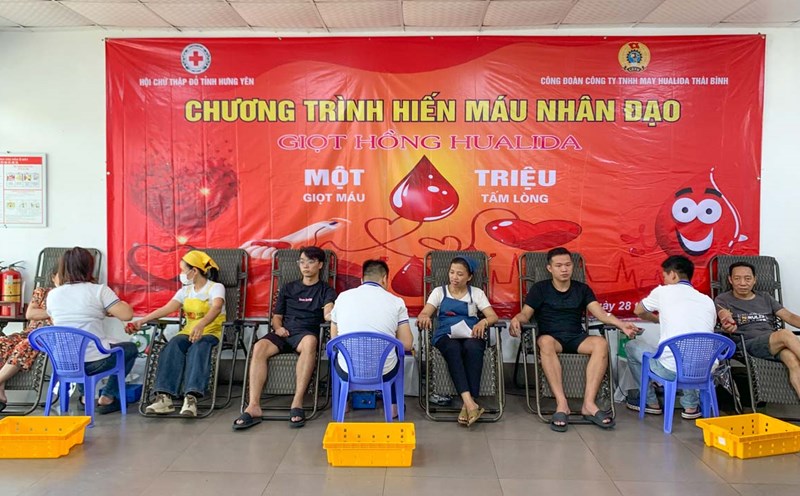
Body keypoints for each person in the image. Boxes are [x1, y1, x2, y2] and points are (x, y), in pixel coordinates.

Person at [510, 247, 639, 432]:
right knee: (544, 342)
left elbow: (601, 314)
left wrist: (622, 324)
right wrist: (516, 319)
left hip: (576, 337)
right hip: (552, 339)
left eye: (568, 265)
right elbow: (525, 314)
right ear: (549, 268)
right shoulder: (540, 289)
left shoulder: (582, 289)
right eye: (559, 265)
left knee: (600, 344)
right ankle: (562, 404)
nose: (564, 269)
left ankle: (588, 404)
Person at [234, 246, 336, 430]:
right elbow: (277, 316)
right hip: (283, 332)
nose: (305, 266)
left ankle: (297, 403)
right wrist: (278, 328)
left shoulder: (325, 290)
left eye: (311, 262)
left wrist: (331, 314)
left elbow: (328, 310)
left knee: (311, 341)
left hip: (305, 335)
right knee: (259, 347)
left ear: (320, 265)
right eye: (302, 261)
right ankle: (253, 406)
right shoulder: (289, 288)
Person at [131, 250, 225, 417]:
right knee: (173, 345)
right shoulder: (185, 291)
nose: (181, 274)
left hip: (211, 332)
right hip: (187, 332)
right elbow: (167, 308)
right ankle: (164, 398)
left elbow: (217, 307)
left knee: (199, 347)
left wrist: (202, 325)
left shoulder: (216, 287)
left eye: (183, 270)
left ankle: (191, 398)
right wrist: (142, 320)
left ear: (194, 271)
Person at [45, 247, 136, 415]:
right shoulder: (99, 290)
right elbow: (127, 315)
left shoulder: (52, 295)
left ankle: (85, 397)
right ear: (89, 267)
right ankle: (107, 397)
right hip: (95, 364)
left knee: (77, 347)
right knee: (129, 349)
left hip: (63, 363)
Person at [627, 255, 716, 420]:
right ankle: (690, 406)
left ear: (673, 275)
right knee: (690, 350)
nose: (665, 280)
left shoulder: (663, 291)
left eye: (665, 276)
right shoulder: (707, 300)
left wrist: (655, 319)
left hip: (669, 371)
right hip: (704, 371)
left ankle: (650, 402)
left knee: (632, 347)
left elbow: (638, 311)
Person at [417, 256, 499, 426]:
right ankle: (470, 403)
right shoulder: (439, 292)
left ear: (469, 277)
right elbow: (425, 313)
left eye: (460, 274)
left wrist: (483, 321)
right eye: (452, 272)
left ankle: (467, 404)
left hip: (470, 334)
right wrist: (424, 317)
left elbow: (492, 316)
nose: (454, 277)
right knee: (453, 349)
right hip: (445, 335)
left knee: (473, 348)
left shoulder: (476, 293)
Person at [330, 259, 413, 419]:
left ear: (362, 280)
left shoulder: (342, 298)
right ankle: (394, 407)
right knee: (398, 354)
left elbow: (335, 338)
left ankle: (344, 403)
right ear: (384, 279)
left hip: (347, 372)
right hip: (385, 372)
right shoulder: (397, 302)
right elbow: (407, 344)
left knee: (337, 354)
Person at [716, 261, 800, 400]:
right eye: (737, 278)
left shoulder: (765, 297)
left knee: (792, 360)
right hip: (747, 345)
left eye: (748, 278)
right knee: (785, 334)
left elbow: (789, 316)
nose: (743, 283)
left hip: (772, 343)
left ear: (755, 280)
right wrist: (727, 323)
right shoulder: (723, 299)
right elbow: (724, 315)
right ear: (730, 280)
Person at [0, 271, 55, 412]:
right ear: (53, 277)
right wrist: (54, 311)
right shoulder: (42, 292)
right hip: (28, 332)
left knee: (25, 345)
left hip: (48, 336)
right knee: (3, 341)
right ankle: (0, 391)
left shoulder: (70, 296)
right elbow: (30, 314)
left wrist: (43, 312)